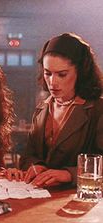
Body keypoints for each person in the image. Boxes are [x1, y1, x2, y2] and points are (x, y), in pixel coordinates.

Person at [18, 32, 103, 187]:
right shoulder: (42, 108)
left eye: (62, 74)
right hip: (41, 197)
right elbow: (28, 155)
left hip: (82, 200)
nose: (52, 82)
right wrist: (36, 165)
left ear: (80, 73)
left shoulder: (97, 109)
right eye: (47, 73)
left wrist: (69, 174)